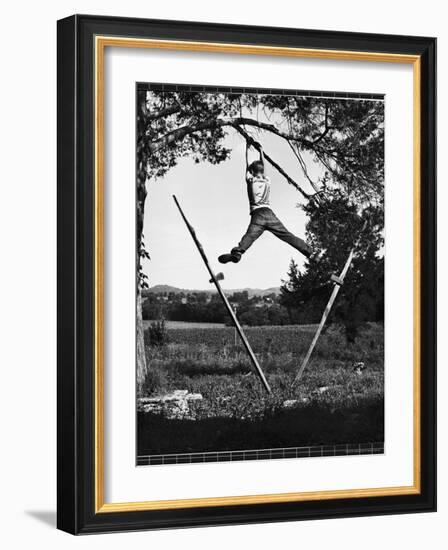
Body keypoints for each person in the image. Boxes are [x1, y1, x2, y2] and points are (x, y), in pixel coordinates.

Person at [218, 140, 315, 264]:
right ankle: (310, 253)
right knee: (287, 235)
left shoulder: (251, 180)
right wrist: (261, 151)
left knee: (250, 236)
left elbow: (247, 165)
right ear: (262, 171)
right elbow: (263, 166)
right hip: (269, 213)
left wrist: (247, 149)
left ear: (251, 171)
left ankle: (238, 252)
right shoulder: (266, 179)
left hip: (257, 215)